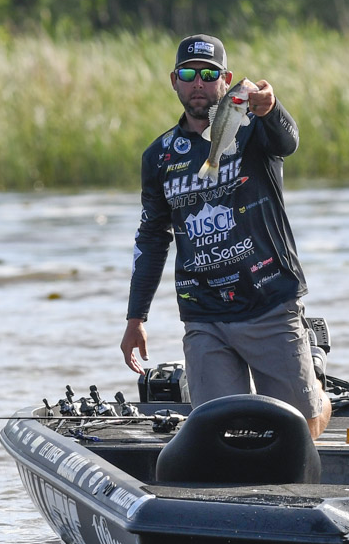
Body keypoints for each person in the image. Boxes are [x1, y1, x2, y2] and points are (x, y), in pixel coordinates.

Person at [119, 33, 332, 439]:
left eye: (209, 74)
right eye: (188, 75)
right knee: (218, 434)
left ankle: (317, 389)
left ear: (226, 80)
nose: (198, 83)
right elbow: (151, 238)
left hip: (268, 300)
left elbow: (288, 142)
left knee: (298, 430)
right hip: (204, 313)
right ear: (174, 81)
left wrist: (271, 109)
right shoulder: (159, 156)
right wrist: (136, 318)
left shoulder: (252, 128)